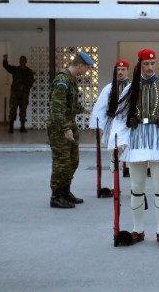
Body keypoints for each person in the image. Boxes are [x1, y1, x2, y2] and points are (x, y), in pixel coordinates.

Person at [110, 48, 159, 247]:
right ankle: (138, 230)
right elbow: (120, 118)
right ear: (140, 64)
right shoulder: (130, 89)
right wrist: (118, 143)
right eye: (146, 64)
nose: (150, 67)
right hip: (137, 141)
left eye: (152, 64)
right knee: (137, 189)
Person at [47, 51, 94, 209]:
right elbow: (56, 109)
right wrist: (65, 129)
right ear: (80, 65)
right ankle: (56, 196)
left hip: (69, 124)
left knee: (72, 161)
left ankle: (65, 191)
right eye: (86, 68)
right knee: (62, 162)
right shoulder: (62, 80)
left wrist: (85, 109)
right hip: (59, 127)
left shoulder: (71, 80)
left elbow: (71, 104)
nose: (86, 71)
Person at [89, 59, 131, 198]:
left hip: (130, 124)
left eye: (123, 69)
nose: (120, 72)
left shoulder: (133, 87)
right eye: (118, 70)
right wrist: (99, 126)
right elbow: (100, 107)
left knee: (133, 156)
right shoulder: (109, 88)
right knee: (114, 155)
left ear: (127, 70)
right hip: (113, 124)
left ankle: (136, 187)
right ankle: (115, 186)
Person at [3, 54, 35, 133]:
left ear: (26, 61)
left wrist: (26, 88)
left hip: (24, 94)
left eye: (23, 60)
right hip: (15, 94)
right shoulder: (15, 69)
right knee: (12, 109)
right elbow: (7, 66)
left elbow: (31, 81)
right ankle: (11, 127)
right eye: (20, 60)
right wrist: (5, 59)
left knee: (23, 110)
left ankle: (22, 127)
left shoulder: (29, 71)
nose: (22, 61)